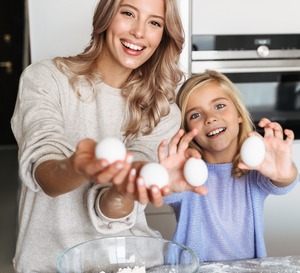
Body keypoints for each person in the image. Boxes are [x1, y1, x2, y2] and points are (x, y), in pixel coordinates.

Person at [11, 0, 186, 273]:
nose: (139, 32)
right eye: (128, 13)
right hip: (50, 271)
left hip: (129, 270)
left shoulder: (162, 110)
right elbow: (45, 175)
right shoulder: (46, 79)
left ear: (163, 35)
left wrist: (129, 185)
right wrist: (76, 166)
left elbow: (112, 209)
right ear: (107, 14)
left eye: (154, 22)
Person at [106, 70, 299, 262]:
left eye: (220, 106)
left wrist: (285, 172)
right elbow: (168, 192)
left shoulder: (252, 171)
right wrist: (164, 182)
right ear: (188, 130)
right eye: (196, 115)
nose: (210, 118)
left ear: (239, 114)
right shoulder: (187, 174)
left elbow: (284, 182)